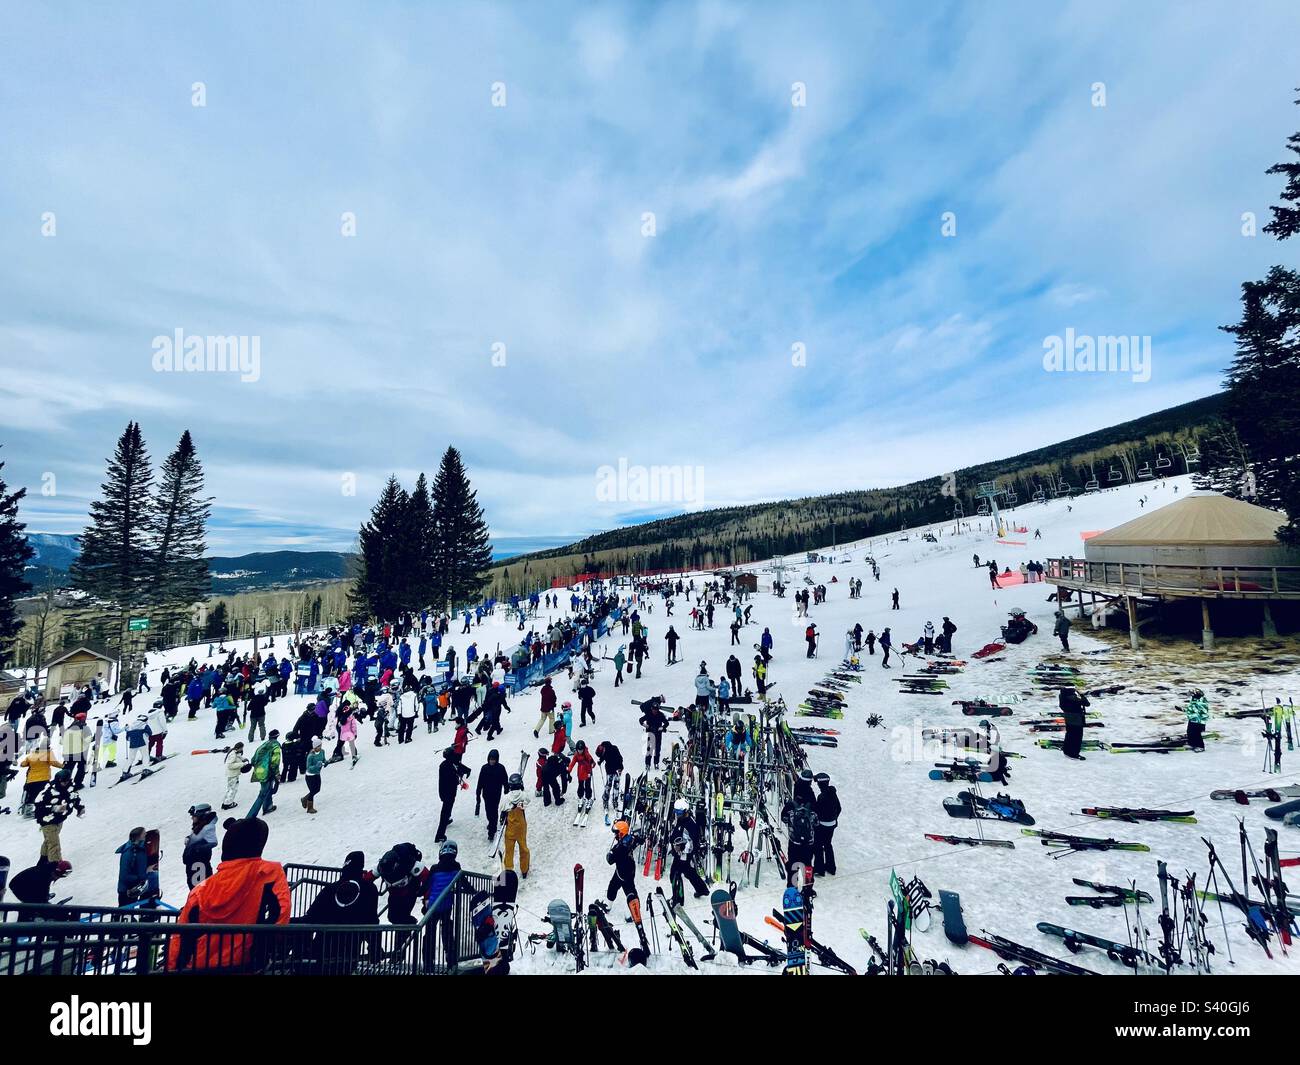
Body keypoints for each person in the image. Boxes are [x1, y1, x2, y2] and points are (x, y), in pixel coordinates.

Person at [167, 817, 291, 972]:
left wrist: (172, 968)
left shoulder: (201, 890)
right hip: (243, 962)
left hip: (200, 965)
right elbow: (281, 912)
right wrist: (264, 948)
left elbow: (181, 936)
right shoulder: (268, 873)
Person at [33, 768, 84, 863]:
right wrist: (54, 808)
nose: (63, 784)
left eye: (65, 781)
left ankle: (43, 861)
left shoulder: (70, 788)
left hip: (59, 819)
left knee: (49, 840)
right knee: (54, 843)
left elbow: (74, 798)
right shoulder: (49, 791)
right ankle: (55, 865)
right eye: (61, 782)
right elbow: (39, 805)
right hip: (47, 820)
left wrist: (80, 808)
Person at [666, 799, 710, 900]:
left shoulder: (691, 825)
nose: (677, 814)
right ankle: (702, 889)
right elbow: (677, 833)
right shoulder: (681, 820)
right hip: (679, 852)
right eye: (676, 812)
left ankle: (678, 898)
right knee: (688, 871)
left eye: (679, 812)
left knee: (675, 874)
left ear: (686, 811)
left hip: (684, 853)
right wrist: (672, 841)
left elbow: (691, 844)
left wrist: (681, 848)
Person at [435, 746, 470, 842]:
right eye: (453, 755)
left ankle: (447, 820)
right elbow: (452, 776)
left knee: (448, 809)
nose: (456, 756)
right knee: (445, 812)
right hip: (446, 793)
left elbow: (459, 766)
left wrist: (467, 770)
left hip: (450, 792)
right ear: (450, 757)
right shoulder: (445, 767)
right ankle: (439, 835)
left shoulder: (450, 763)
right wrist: (460, 778)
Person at [247, 731, 282, 818]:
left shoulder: (263, 745)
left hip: (259, 771)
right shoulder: (276, 747)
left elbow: (253, 759)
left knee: (268, 789)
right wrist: (277, 773)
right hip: (268, 772)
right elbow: (275, 762)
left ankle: (268, 806)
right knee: (262, 794)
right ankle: (250, 816)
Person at [501, 775, 531, 877]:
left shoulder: (506, 797)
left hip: (510, 826)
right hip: (521, 826)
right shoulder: (523, 795)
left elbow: (502, 810)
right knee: (523, 848)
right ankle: (524, 869)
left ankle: (508, 870)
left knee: (509, 850)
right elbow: (526, 802)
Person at [183, 803, 219, 887]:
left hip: (199, 865)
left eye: (194, 816)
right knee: (196, 890)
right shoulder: (199, 826)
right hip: (194, 863)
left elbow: (213, 842)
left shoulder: (208, 827)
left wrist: (196, 849)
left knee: (199, 891)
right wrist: (189, 838)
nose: (192, 818)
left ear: (201, 816)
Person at [476, 748, 507, 840]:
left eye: (494, 759)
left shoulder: (501, 768)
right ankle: (491, 823)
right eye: (490, 759)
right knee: (488, 812)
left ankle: (492, 831)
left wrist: (506, 789)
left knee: (494, 811)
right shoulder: (484, 768)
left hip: (496, 794)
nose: (492, 761)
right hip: (486, 795)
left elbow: (505, 780)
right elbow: (480, 782)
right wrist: (478, 794)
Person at [813, 773, 841, 876]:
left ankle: (819, 869)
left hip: (822, 825)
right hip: (832, 824)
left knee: (818, 845)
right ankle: (831, 867)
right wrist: (835, 819)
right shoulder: (833, 793)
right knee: (828, 844)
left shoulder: (821, 797)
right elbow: (839, 808)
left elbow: (817, 811)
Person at [116, 826, 151, 906]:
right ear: (138, 837)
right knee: (125, 913)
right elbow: (124, 875)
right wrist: (140, 878)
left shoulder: (141, 849)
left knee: (129, 912)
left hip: (137, 887)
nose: (146, 834)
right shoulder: (128, 852)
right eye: (144, 833)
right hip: (128, 890)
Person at [1059, 686, 1090, 760]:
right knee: (1077, 737)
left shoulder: (1062, 695)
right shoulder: (1072, 697)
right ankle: (1074, 753)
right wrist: (1082, 695)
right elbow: (1087, 703)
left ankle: (1066, 750)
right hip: (1076, 719)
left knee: (1069, 734)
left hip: (1068, 718)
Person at [302, 737, 326, 813]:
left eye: (320, 745)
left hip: (317, 774)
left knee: (317, 789)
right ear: (314, 747)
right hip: (310, 775)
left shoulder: (322, 751)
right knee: (312, 791)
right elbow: (308, 768)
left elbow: (323, 759)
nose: (320, 747)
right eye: (318, 746)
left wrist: (326, 762)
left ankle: (304, 799)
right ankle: (310, 808)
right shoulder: (310, 756)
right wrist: (316, 766)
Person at [223, 742, 249, 810]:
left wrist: (244, 759)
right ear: (239, 748)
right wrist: (242, 764)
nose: (242, 749)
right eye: (242, 748)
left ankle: (225, 802)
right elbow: (230, 765)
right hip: (233, 774)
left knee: (230, 788)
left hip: (233, 774)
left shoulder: (235, 752)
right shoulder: (233, 754)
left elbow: (238, 757)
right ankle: (228, 803)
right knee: (233, 789)